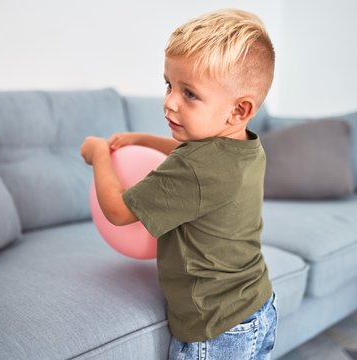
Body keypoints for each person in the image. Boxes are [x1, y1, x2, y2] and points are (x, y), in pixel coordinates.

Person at [80, 8, 277, 360]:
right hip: (257, 305)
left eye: (189, 94)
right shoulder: (245, 144)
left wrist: (99, 155)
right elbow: (197, 154)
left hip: (214, 329)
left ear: (238, 110)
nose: (169, 102)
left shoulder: (194, 169)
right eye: (169, 85)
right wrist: (145, 140)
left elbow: (118, 211)